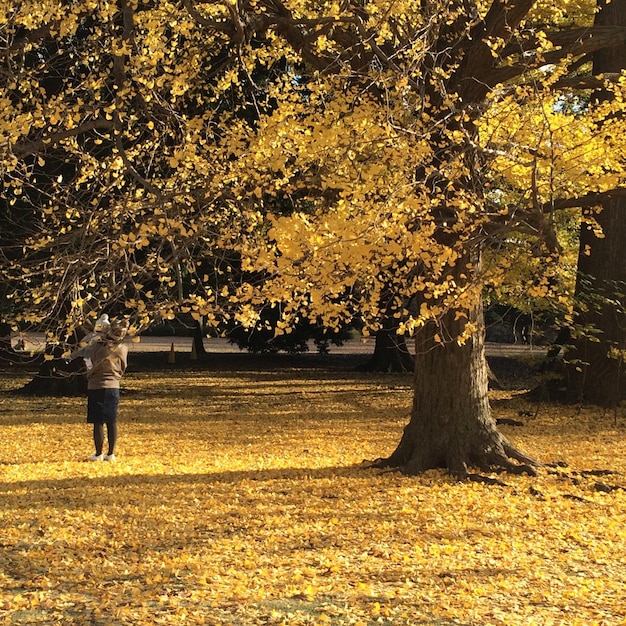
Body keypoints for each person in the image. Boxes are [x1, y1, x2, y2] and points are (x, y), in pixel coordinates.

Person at [74, 318, 129, 461]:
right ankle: (110, 453)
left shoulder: (96, 347)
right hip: (113, 386)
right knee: (111, 421)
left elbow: (87, 358)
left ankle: (98, 453)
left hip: (96, 386)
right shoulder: (122, 348)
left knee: (97, 421)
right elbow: (123, 367)